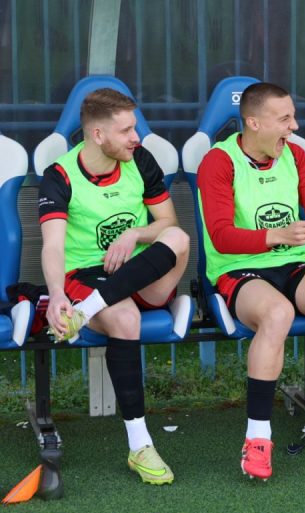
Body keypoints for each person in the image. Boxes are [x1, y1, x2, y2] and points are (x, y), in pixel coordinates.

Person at [196, 82, 305, 481]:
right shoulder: (218, 161)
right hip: (239, 270)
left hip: (291, 264)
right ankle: (257, 438)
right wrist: (278, 235)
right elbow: (220, 236)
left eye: (293, 117)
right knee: (278, 313)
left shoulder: (294, 154)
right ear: (254, 123)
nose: (295, 126)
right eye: (285, 119)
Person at [39, 88, 191, 484]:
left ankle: (86, 311)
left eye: (134, 128)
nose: (136, 137)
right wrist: (57, 294)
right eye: (126, 131)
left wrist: (135, 234)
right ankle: (140, 445)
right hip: (86, 276)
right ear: (98, 134)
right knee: (125, 319)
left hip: (140, 272)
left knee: (178, 238)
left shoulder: (140, 159)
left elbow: (167, 223)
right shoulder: (59, 176)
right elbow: (53, 246)